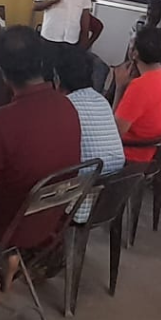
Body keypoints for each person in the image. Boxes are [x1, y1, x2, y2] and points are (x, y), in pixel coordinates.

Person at [0, 26, 81, 300]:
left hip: (0, 227)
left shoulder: (2, 121)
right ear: (41, 62)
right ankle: (2, 264)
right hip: (46, 222)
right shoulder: (67, 106)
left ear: (1, 71)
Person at [52, 44, 125, 223]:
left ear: (57, 79)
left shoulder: (65, 107)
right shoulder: (100, 100)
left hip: (77, 203)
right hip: (111, 199)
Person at [113, 27, 161, 164]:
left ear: (135, 54)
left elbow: (114, 133)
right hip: (157, 151)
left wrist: (119, 88)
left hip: (133, 155)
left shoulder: (139, 87)